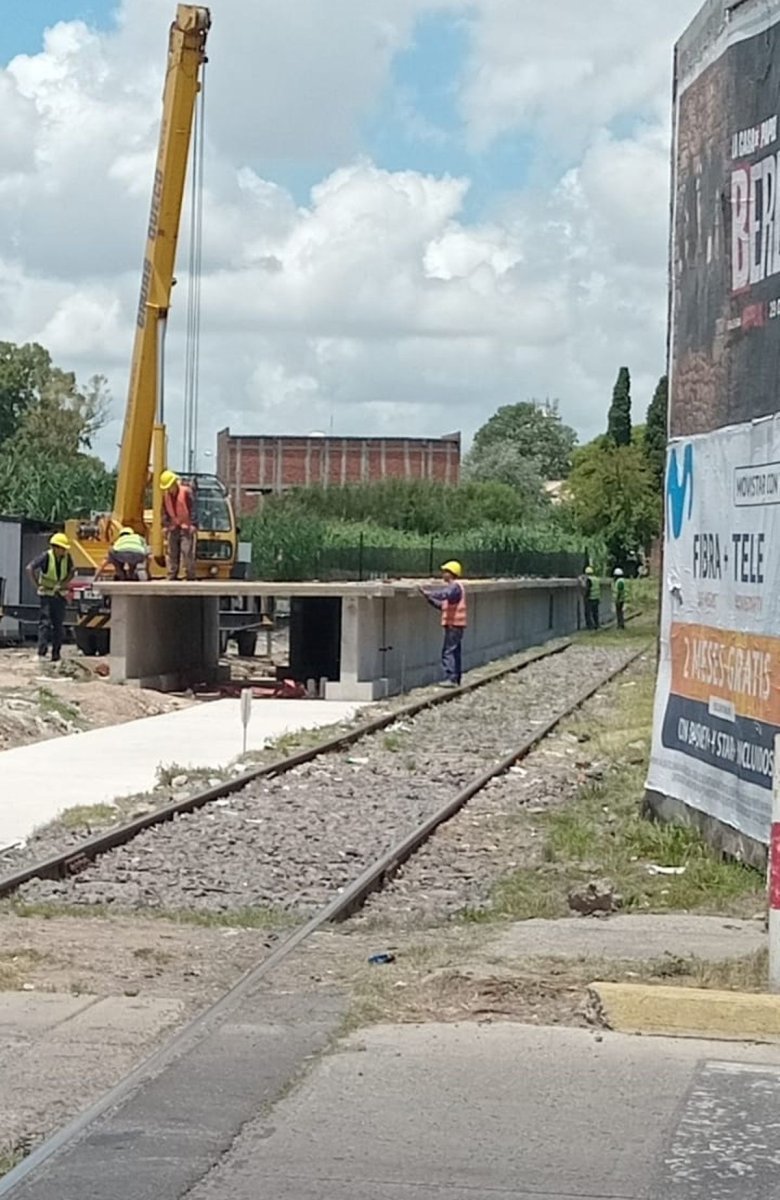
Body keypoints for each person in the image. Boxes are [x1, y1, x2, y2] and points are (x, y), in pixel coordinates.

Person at [27, 533, 74, 664]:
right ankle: (41, 653)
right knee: (45, 623)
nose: (64, 551)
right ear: (55, 547)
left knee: (58, 626)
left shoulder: (66, 557)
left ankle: (56, 655)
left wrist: (64, 583)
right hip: (47, 595)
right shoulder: (46, 557)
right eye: (62, 548)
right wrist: (37, 585)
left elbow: (72, 571)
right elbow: (30, 568)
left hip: (59, 595)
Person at [419, 560, 467, 687]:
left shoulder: (454, 587)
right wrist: (428, 597)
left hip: (454, 625)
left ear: (451, 573)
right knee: (455, 651)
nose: (443, 574)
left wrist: (430, 593)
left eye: (445, 572)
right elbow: (442, 606)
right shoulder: (455, 588)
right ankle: (456, 679)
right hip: (456, 625)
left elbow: (445, 594)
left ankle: (451, 678)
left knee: (448, 652)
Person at [160, 470, 196, 581]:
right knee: (172, 552)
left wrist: (194, 524)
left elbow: (193, 508)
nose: (169, 489)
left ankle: (189, 575)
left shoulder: (186, 492)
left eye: (169, 486)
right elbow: (164, 512)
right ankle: (172, 575)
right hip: (174, 527)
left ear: (174, 483)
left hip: (186, 527)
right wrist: (165, 525)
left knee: (186, 551)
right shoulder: (166, 496)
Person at [583, 565, 601, 630]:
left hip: (590, 598)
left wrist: (585, 596)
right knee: (595, 613)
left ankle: (590, 627)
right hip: (597, 598)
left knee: (588, 613)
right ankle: (597, 625)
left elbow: (588, 589)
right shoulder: (596, 579)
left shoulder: (589, 580)